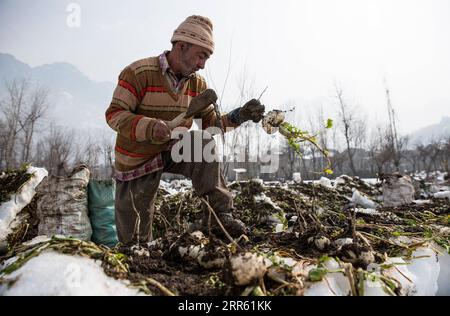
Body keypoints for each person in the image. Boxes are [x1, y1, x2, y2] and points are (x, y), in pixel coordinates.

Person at [105, 15, 265, 244]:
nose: (202, 64)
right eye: (201, 56)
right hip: (137, 159)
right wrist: (149, 127)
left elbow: (211, 127)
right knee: (135, 242)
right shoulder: (138, 73)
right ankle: (139, 256)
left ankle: (219, 216)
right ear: (181, 46)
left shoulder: (197, 85)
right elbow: (114, 114)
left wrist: (239, 116)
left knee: (203, 143)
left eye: (207, 58)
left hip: (172, 148)